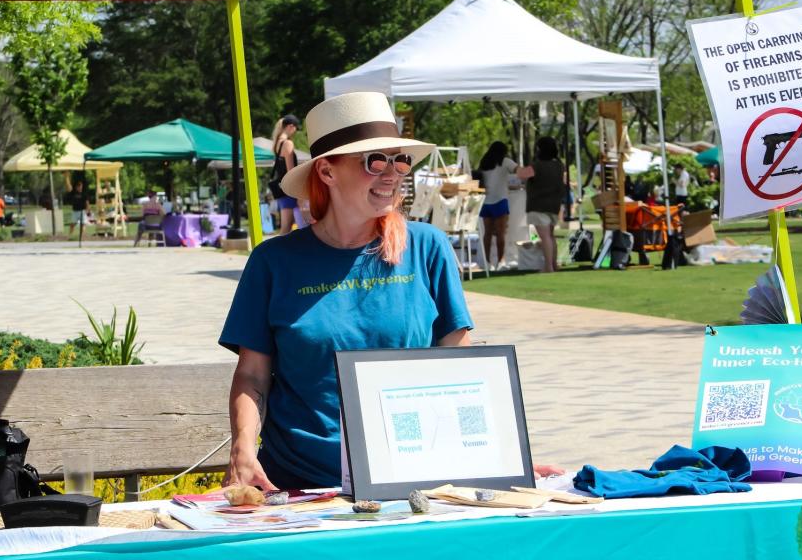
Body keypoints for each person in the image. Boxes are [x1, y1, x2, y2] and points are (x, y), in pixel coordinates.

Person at [220, 93, 561, 490]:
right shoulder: (273, 261)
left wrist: (501, 456)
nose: (394, 174)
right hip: (296, 485)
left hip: (412, 479)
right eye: (375, 161)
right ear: (327, 172)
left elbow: (460, 364)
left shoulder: (427, 247)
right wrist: (242, 450)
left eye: (400, 161)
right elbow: (252, 375)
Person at [520, 137, 566, 273]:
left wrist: (514, 167)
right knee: (551, 236)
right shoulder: (559, 165)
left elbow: (522, 175)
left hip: (538, 205)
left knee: (545, 237)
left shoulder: (537, 166)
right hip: (554, 205)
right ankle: (554, 264)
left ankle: (548, 267)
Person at [477, 141, 518, 270]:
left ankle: (487, 261)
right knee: (501, 233)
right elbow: (518, 170)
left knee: (487, 233)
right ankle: (501, 260)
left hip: (485, 201)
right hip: (500, 200)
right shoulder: (505, 161)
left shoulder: (484, 162)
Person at [268, 114, 300, 236]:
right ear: (291, 126)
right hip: (288, 189)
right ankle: (276, 253)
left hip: (281, 188)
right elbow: (291, 170)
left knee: (286, 225)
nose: (295, 131)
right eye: (295, 128)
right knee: (287, 226)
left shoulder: (277, 143)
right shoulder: (287, 144)